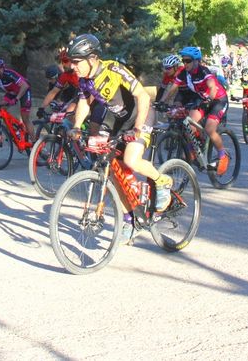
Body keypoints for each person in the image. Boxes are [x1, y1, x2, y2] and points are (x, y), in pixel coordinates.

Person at [66, 34, 172, 243]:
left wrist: (138, 128)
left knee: (131, 159)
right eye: (71, 61)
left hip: (141, 115)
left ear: (92, 59)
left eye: (76, 62)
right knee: (111, 168)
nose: (72, 66)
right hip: (117, 119)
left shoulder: (113, 69)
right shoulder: (85, 80)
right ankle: (130, 218)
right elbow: (85, 103)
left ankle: (162, 182)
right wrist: (77, 127)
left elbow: (142, 96)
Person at [159, 46, 230, 175]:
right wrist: (162, 102)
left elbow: (212, 87)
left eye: (188, 61)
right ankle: (195, 148)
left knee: (209, 129)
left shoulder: (203, 71)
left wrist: (209, 99)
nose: (185, 63)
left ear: (196, 61)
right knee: (188, 124)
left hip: (218, 100)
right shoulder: (184, 73)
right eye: (183, 60)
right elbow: (173, 88)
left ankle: (223, 155)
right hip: (203, 100)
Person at [0, 58, 35, 142]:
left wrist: (16, 99)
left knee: (25, 119)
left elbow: (25, 86)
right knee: (1, 109)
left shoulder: (9, 74)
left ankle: (35, 143)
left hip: (24, 91)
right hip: (12, 92)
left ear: (1, 69)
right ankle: (15, 132)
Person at [38, 50, 79, 118]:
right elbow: (53, 92)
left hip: (86, 95)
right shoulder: (65, 75)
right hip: (76, 95)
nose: (63, 64)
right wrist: (42, 108)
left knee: (69, 113)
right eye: (62, 61)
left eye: (65, 61)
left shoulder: (80, 73)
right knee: (64, 114)